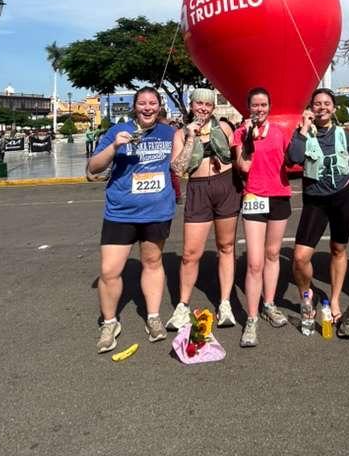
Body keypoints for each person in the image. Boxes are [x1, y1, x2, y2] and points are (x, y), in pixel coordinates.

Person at [87, 86, 176, 354]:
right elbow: (93, 168)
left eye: (152, 103)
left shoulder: (170, 133)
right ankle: (109, 323)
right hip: (121, 212)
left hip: (157, 211)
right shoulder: (118, 131)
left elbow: (183, 163)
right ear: (134, 107)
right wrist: (115, 146)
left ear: (159, 106)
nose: (148, 108)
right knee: (109, 271)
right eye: (142, 103)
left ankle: (153, 317)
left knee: (152, 262)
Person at [166, 88, 240, 331]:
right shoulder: (180, 134)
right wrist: (190, 137)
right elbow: (178, 169)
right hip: (198, 190)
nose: (203, 108)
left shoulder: (225, 128)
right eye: (199, 104)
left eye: (208, 105)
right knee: (190, 253)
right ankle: (182, 306)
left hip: (226, 187)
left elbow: (239, 157)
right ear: (191, 105)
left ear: (213, 108)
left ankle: (225, 302)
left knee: (226, 247)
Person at [286, 88, 349, 334]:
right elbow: (293, 158)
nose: (322, 107)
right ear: (311, 108)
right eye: (317, 104)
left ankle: (335, 299)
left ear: (334, 108)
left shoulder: (344, 134)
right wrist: (303, 129)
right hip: (316, 200)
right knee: (300, 257)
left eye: (327, 103)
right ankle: (307, 296)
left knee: (338, 249)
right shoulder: (303, 134)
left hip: (343, 197)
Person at [232, 87, 291, 348]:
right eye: (255, 105)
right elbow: (243, 166)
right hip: (254, 196)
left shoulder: (279, 132)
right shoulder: (240, 133)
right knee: (254, 263)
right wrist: (249, 139)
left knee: (273, 254)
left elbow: (293, 159)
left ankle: (269, 304)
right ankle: (252, 317)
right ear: (248, 108)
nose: (259, 109)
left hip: (279, 195)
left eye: (263, 105)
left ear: (269, 107)